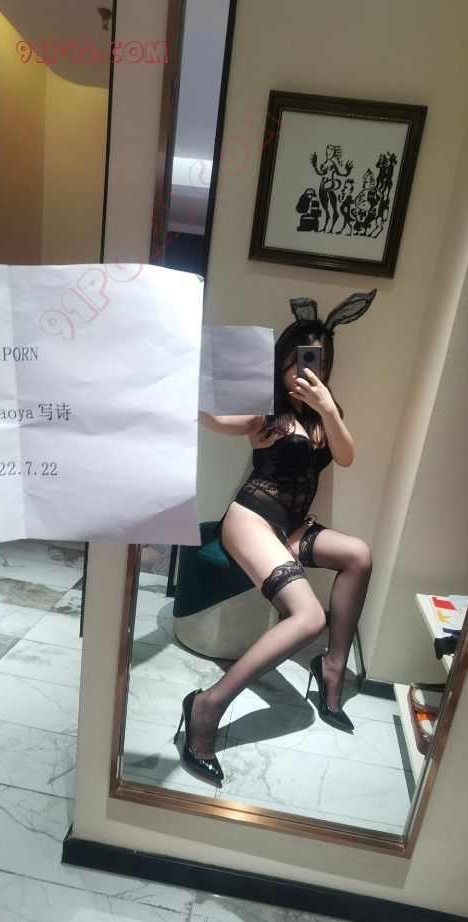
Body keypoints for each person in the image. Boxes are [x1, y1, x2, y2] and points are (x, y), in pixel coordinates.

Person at [175, 291, 377, 785]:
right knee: (308, 616)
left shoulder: (325, 414)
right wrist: (187, 388)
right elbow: (219, 420)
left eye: (316, 362)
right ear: (281, 361)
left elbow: (346, 457)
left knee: (358, 555)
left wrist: (327, 408)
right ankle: (206, 706)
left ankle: (332, 669)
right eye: (296, 361)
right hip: (251, 518)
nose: (303, 371)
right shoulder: (267, 412)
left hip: (292, 526)